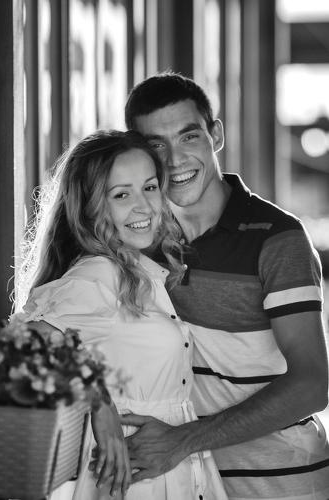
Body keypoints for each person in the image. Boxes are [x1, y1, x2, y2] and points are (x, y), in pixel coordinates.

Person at [121, 70, 329, 499]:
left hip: (281, 484)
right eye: (156, 145)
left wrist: (183, 440)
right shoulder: (140, 240)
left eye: (189, 136)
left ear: (215, 135)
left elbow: (312, 384)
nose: (175, 160)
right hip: (186, 483)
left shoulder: (277, 238)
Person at [15, 129, 228, 499]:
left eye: (149, 187)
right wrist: (101, 408)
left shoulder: (139, 271)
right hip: (130, 478)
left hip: (172, 469)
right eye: (121, 194)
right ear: (91, 207)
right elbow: (22, 347)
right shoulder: (96, 275)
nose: (143, 206)